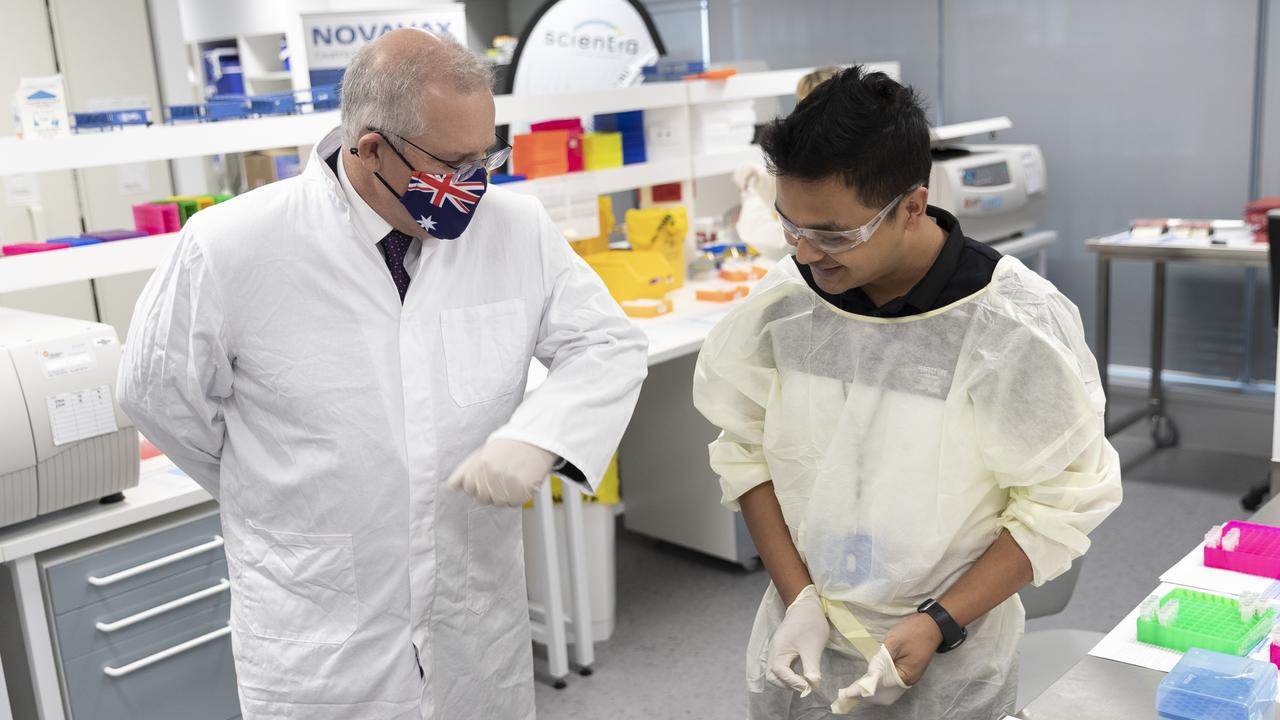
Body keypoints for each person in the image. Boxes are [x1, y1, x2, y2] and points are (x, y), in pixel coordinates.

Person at [118, 30, 647, 720]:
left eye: (487, 155)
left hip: (471, 623)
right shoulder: (233, 247)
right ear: (371, 148)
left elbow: (607, 345)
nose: (475, 183)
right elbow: (158, 396)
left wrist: (540, 434)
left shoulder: (515, 229)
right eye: (455, 164)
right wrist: (279, 483)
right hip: (321, 635)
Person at [693, 65, 1122, 719]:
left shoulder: (1008, 325)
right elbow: (745, 454)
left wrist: (939, 623)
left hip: (952, 656)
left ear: (913, 206)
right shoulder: (786, 304)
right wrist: (800, 598)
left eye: (834, 234)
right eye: (790, 226)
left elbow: (1058, 505)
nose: (807, 254)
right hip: (801, 645)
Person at [733, 66, 841, 263]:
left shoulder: (830, 169)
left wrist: (750, 200)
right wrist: (763, 181)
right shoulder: (834, 156)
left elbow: (787, 245)